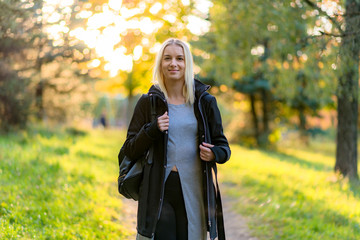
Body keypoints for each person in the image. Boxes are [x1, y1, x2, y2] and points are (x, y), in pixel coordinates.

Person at [122, 38, 231, 240]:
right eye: (168, 58)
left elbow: (224, 149)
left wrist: (214, 153)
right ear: (160, 64)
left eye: (180, 58)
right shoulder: (149, 102)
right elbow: (129, 150)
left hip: (195, 190)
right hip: (158, 189)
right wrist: (152, 129)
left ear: (187, 63)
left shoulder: (204, 102)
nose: (174, 63)